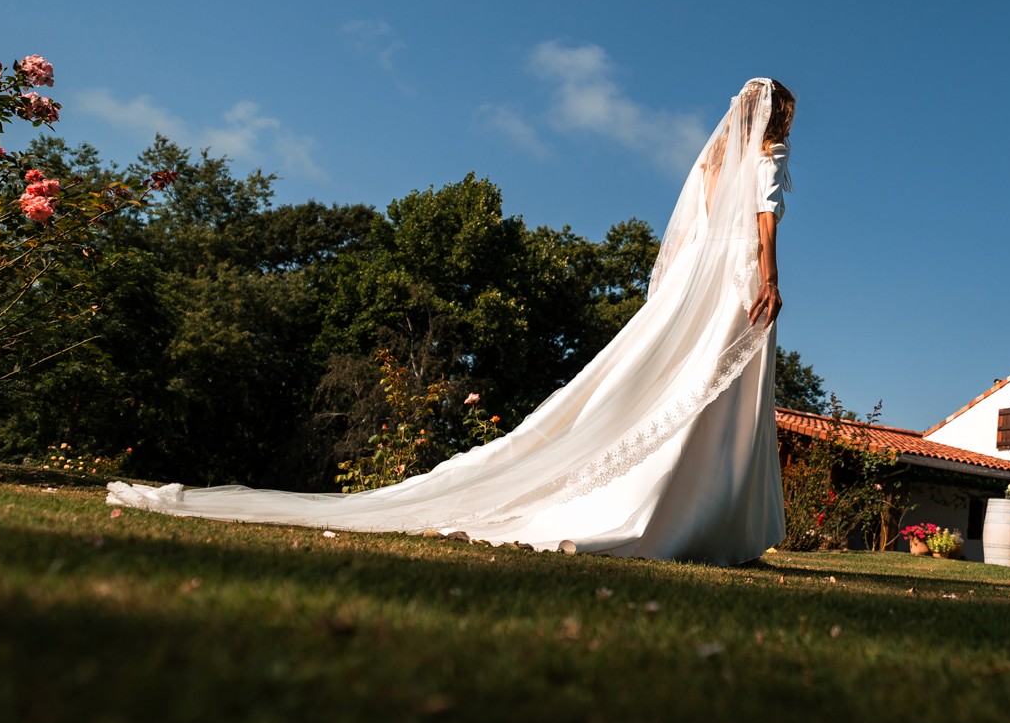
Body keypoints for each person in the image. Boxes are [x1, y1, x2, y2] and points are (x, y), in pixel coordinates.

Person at [108, 78, 796, 564]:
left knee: (689, 389)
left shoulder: (713, 164)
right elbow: (763, 221)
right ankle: (699, 518)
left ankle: (697, 515)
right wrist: (768, 278)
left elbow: (694, 236)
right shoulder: (767, 158)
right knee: (712, 393)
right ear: (776, 119)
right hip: (735, 284)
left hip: (701, 283)